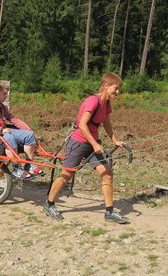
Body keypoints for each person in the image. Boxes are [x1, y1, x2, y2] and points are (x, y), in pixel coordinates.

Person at [44, 73, 128, 224]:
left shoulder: (107, 103)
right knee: (67, 175)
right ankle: (49, 204)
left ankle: (109, 212)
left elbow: (106, 123)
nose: (118, 92)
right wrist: (95, 145)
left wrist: (115, 140)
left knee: (107, 174)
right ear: (106, 86)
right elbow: (82, 125)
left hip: (93, 143)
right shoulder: (92, 101)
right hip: (78, 142)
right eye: (116, 89)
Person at [0, 81, 43, 179]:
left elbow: (14, 119)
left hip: (4, 131)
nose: (6, 96)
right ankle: (16, 168)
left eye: (7, 94)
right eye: (4, 94)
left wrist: (29, 130)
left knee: (28, 135)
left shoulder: (2, 107)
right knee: (9, 137)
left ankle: (29, 165)